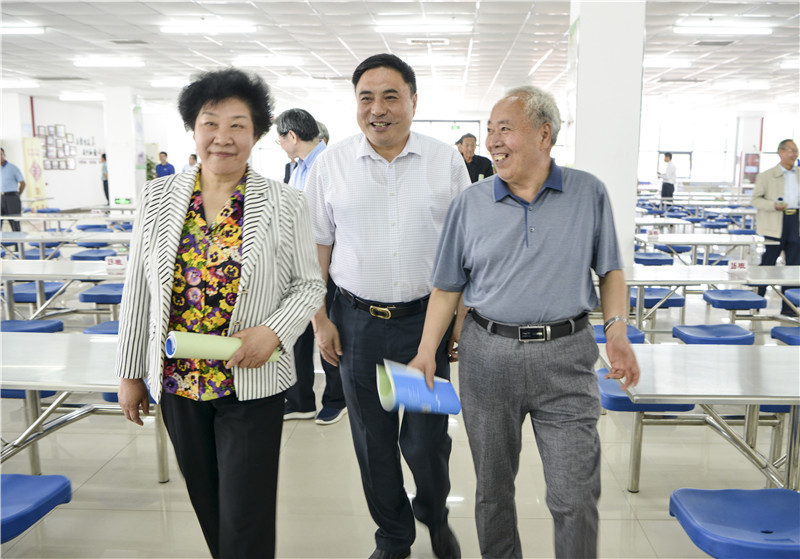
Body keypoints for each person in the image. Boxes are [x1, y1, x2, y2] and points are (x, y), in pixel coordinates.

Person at [409, 85, 640, 559]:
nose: (492, 141)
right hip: (488, 356)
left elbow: (611, 271)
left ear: (544, 135)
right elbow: (447, 287)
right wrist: (426, 351)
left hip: (567, 357)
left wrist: (617, 330)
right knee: (493, 491)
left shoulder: (588, 192)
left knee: (575, 495)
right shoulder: (470, 203)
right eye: (489, 130)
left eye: (504, 129)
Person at [114, 68, 326, 559]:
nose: (223, 138)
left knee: (246, 514)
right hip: (178, 381)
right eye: (211, 123)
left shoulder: (286, 202)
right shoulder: (157, 197)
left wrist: (272, 332)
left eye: (238, 125)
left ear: (257, 134)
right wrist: (129, 373)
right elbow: (139, 288)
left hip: (250, 379)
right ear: (193, 129)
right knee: (209, 506)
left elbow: (308, 285)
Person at [304, 53, 469, 559]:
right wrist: (320, 321)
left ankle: (434, 512)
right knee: (372, 442)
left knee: (426, 441)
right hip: (356, 325)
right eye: (366, 98)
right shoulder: (331, 164)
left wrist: (460, 319)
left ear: (413, 101)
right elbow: (316, 247)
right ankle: (393, 537)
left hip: (425, 325)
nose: (378, 109)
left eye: (390, 96)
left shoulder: (445, 162)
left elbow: (465, 249)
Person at [275, 108, 346, 425]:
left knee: (328, 329)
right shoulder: (297, 168)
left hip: (326, 265)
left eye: (280, 139)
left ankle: (336, 398)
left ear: (292, 136)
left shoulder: (331, 164)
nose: (280, 145)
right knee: (298, 332)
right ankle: (300, 399)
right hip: (297, 264)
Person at [751, 138, 800, 315]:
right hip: (775, 223)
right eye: (792, 151)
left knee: (793, 267)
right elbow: (755, 200)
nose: (795, 154)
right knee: (767, 264)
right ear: (781, 152)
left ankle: (789, 308)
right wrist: (773, 205)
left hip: (795, 222)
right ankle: (755, 302)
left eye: (796, 151)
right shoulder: (766, 176)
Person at [1, 147, 26, 232]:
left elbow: (23, 183)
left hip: (12, 197)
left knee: (15, 222)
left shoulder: (13, 168)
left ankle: (18, 240)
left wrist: (18, 194)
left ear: (4, 155)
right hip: (1, 198)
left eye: (1, 154)